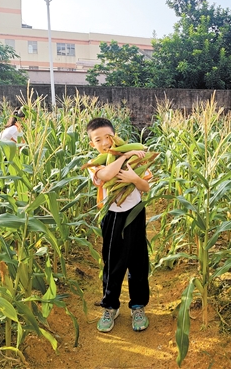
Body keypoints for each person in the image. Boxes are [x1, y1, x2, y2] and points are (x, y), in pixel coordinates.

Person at [85, 117, 152, 333]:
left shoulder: (136, 161)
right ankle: (110, 306)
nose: (105, 142)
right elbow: (106, 175)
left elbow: (146, 187)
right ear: (92, 144)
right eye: (98, 139)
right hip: (113, 217)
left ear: (115, 136)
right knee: (113, 263)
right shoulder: (96, 163)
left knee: (138, 262)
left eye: (108, 137)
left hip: (135, 214)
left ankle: (138, 306)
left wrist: (133, 178)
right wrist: (125, 156)